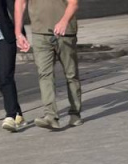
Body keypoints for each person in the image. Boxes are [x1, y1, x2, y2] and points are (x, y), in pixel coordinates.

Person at [14, 0, 82, 129]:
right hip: (39, 33)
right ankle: (51, 116)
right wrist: (18, 33)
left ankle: (75, 113)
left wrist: (64, 21)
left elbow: (73, 4)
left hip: (65, 33)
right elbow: (20, 3)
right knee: (44, 74)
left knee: (71, 74)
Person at [0, 0, 25, 132]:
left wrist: (20, 34)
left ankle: (10, 115)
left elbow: (14, 8)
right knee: (0, 80)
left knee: (6, 76)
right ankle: (18, 113)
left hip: (4, 37)